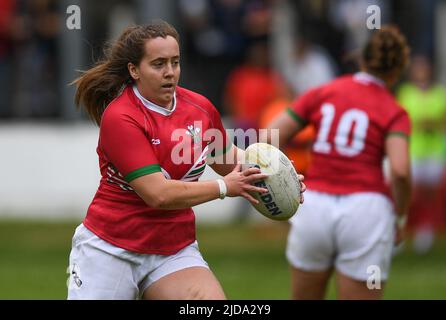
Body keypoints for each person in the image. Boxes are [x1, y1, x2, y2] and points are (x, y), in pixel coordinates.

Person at [67, 20, 306, 300]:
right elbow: (157, 194)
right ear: (134, 70)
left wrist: (279, 177)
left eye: (175, 62)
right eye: (158, 64)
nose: (170, 72)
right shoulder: (121, 117)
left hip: (173, 249)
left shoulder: (200, 109)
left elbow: (231, 162)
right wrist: (224, 188)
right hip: (111, 248)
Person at [268, 25, 411, 299]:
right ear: (397, 70)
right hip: (367, 211)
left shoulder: (324, 91)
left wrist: (286, 184)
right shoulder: (394, 110)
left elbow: (270, 136)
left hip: (314, 205)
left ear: (362, 58)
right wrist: (401, 216)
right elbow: (401, 171)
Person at [397, 55, 446, 254]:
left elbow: (445, 121)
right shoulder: (406, 93)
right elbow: (403, 120)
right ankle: (402, 230)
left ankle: (425, 231)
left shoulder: (440, 94)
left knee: (431, 195)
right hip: (414, 150)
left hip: (435, 151)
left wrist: (433, 125)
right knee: (410, 193)